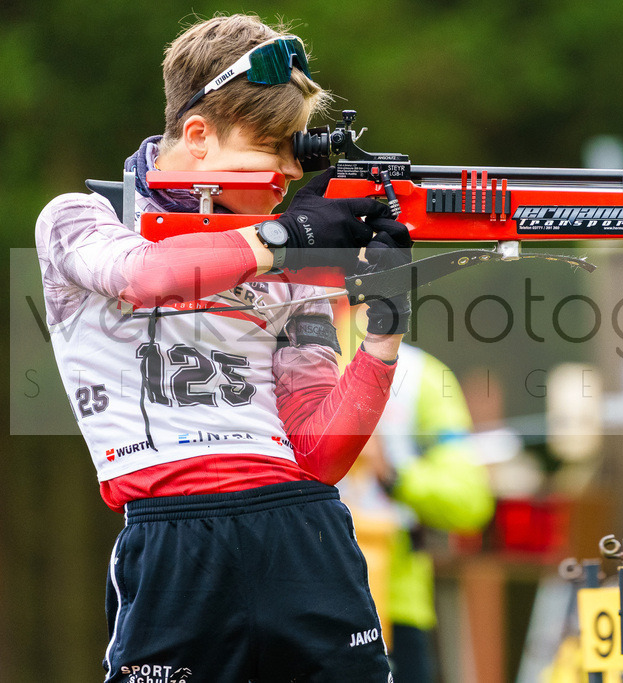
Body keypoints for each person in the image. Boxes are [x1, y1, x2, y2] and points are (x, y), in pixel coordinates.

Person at [34, 14, 411, 682]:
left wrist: (384, 330)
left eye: (299, 152)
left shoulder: (291, 257)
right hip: (174, 535)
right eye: (273, 147)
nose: (289, 172)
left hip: (304, 532)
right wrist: (287, 234)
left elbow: (320, 452)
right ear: (200, 136)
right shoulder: (81, 219)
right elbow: (145, 275)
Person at [335, 334, 494, 682]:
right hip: (295, 598)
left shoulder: (421, 374)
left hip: (396, 607)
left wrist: (390, 474)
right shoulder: (266, 350)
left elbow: (470, 501)